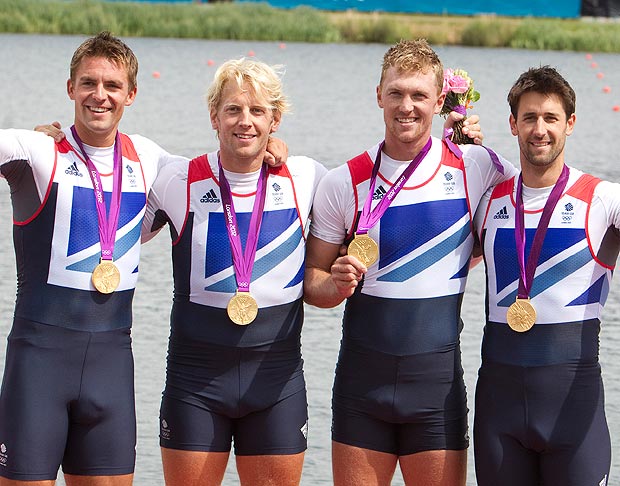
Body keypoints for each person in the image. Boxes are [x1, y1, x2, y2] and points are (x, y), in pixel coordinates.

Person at [303, 38, 516, 486]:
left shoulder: (476, 166)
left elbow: (532, 202)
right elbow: (312, 283)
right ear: (378, 95)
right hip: (362, 391)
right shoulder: (345, 181)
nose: (407, 106)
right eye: (396, 93)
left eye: (419, 95)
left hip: (435, 392)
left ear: (440, 102)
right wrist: (335, 284)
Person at [0, 32, 185, 485]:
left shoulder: (151, 159)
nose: (99, 95)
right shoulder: (38, 151)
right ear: (70, 88)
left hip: (111, 369)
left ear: (131, 94)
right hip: (38, 367)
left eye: (112, 86)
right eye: (88, 83)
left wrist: (270, 153)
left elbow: (223, 173)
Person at [141, 58, 327, 486]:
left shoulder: (307, 177)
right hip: (195, 385)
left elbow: (378, 214)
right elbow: (113, 234)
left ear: (275, 119)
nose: (245, 121)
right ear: (214, 116)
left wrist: (459, 147)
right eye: (233, 109)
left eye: (258, 111)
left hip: (276, 385)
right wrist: (62, 146)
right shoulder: (178, 180)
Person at [472, 66, 620, 486]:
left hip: (574, 415)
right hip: (499, 415)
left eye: (551, 118)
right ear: (513, 124)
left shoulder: (603, 199)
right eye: (530, 118)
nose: (540, 130)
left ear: (569, 124)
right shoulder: (489, 199)